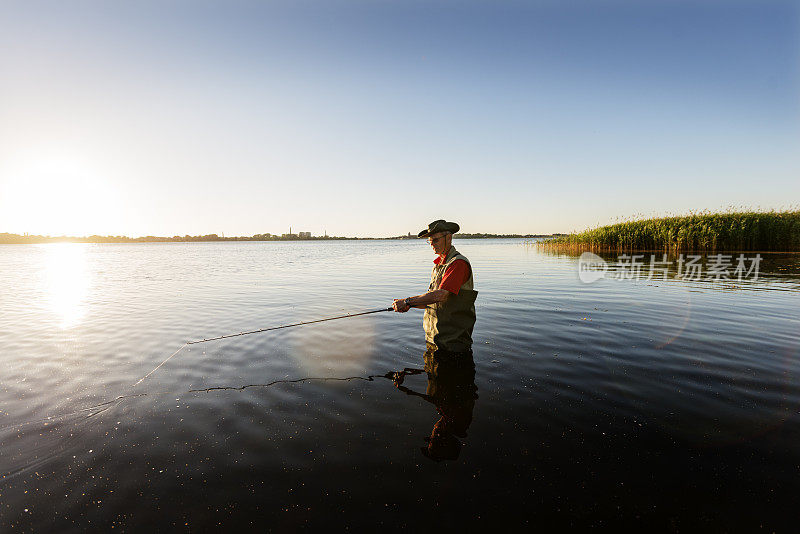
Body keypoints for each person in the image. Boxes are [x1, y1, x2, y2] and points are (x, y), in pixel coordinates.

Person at [392, 219, 478, 353]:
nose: (432, 244)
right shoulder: (438, 265)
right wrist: (409, 305)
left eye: (435, 240)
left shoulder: (458, 264)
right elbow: (432, 302)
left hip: (453, 345)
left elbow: (441, 295)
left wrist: (407, 301)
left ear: (448, 238)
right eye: (430, 241)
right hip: (434, 340)